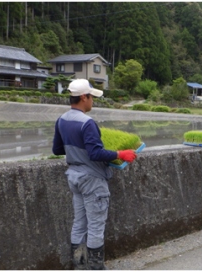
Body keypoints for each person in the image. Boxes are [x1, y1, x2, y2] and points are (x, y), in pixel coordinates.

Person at [52, 78, 137, 270]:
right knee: (96, 227)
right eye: (91, 97)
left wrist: (76, 151)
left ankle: (79, 266)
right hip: (92, 180)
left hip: (74, 177)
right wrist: (119, 154)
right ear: (84, 97)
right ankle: (96, 268)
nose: (93, 102)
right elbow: (95, 153)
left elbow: (57, 149)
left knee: (79, 224)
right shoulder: (87, 123)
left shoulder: (62, 120)